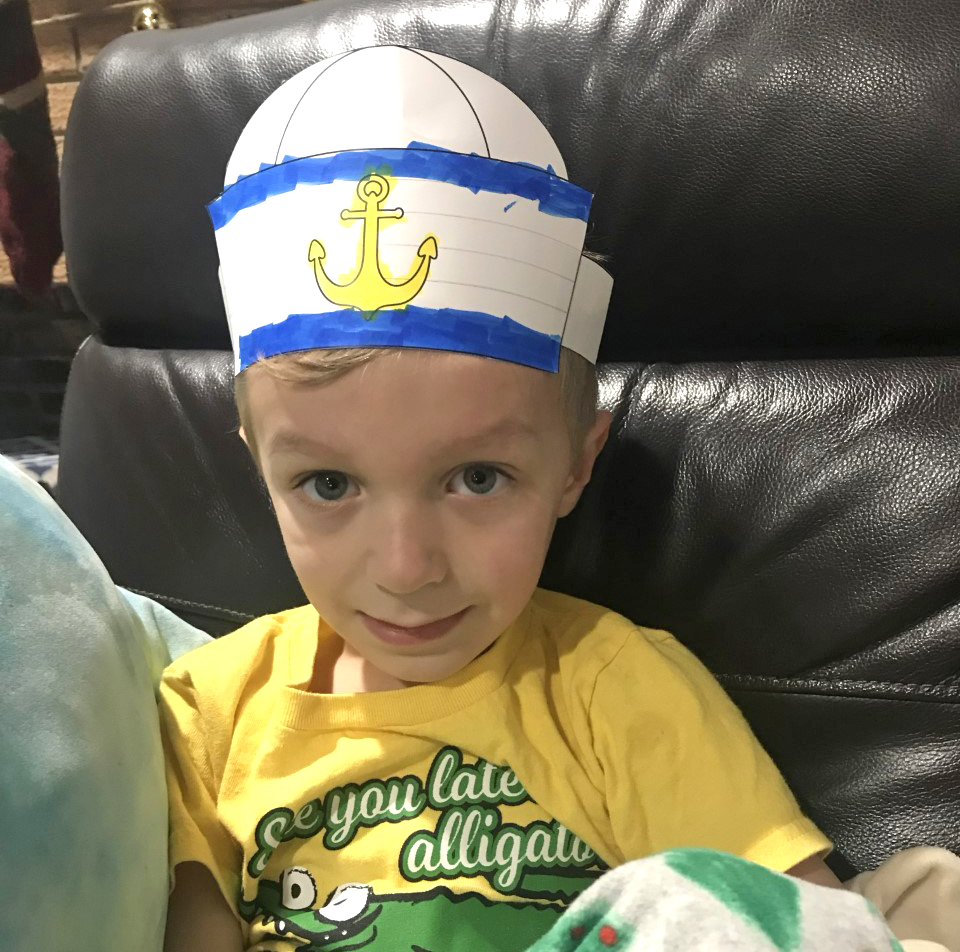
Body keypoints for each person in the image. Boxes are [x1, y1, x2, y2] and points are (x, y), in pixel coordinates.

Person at [159, 45, 842, 952]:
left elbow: (803, 929)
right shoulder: (209, 711)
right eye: (327, 485)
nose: (406, 570)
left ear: (575, 467)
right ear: (258, 469)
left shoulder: (614, 692)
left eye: (477, 478)